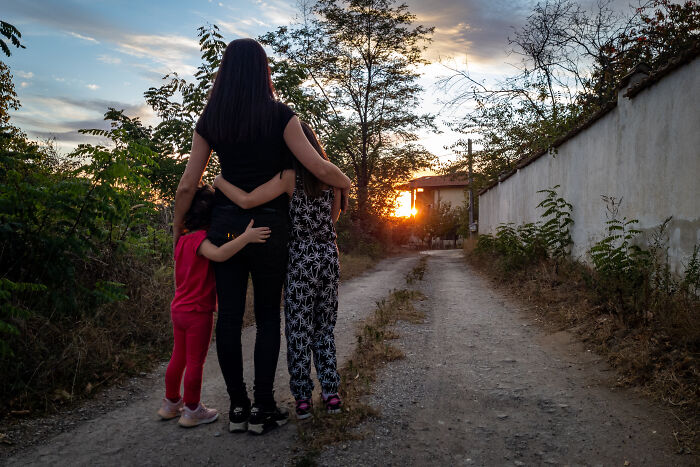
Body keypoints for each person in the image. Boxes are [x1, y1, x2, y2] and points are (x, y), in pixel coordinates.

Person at [172, 38, 351, 435]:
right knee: (269, 317)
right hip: (271, 229)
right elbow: (316, 166)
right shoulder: (281, 115)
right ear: (264, 70)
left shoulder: (211, 118)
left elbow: (188, 185)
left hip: (225, 227)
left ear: (225, 71)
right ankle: (264, 408)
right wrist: (345, 183)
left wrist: (178, 231)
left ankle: (237, 408)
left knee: (230, 318)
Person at [214, 122, 343, 420]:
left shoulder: (289, 177)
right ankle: (331, 393)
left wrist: (219, 182)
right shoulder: (332, 177)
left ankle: (302, 400)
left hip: (300, 259)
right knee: (323, 329)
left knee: (298, 329)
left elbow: (247, 200)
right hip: (327, 255)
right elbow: (333, 219)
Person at [158, 185, 271, 428]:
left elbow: (222, 243)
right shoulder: (201, 241)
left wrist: (235, 236)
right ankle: (191, 409)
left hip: (178, 309)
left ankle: (170, 403)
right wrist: (246, 237)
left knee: (178, 356)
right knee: (195, 361)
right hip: (198, 311)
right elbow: (220, 254)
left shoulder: (181, 240)